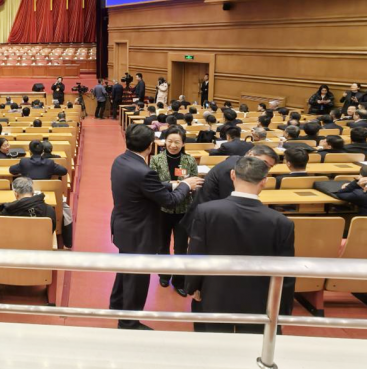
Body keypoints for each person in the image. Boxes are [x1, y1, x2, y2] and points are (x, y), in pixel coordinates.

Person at [109, 124, 203, 330]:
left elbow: (144, 187)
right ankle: (129, 323)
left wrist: (171, 184)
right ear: (151, 146)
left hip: (124, 226)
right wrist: (185, 185)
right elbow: (170, 201)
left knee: (124, 271)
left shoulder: (120, 160)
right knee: (137, 279)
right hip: (139, 232)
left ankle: (116, 306)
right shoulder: (144, 171)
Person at [186, 156, 295, 333]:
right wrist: (283, 310)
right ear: (264, 181)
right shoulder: (282, 222)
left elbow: (196, 253)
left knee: (211, 341)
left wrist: (192, 287)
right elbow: (286, 271)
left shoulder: (206, 211)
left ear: (232, 175)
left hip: (214, 291)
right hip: (260, 298)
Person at [149, 126, 198, 296]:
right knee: (162, 245)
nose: (173, 145)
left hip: (184, 210)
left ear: (183, 143)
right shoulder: (156, 159)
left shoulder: (189, 161)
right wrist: (176, 185)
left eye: (177, 142)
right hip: (162, 209)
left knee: (181, 247)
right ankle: (164, 274)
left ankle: (179, 280)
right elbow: (154, 185)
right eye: (170, 141)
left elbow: (194, 184)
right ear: (165, 141)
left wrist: (185, 187)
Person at [189, 145, 279, 212]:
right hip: (205, 215)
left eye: (269, 167)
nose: (264, 168)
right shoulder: (232, 169)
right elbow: (230, 201)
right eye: (264, 163)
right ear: (250, 154)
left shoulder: (239, 162)